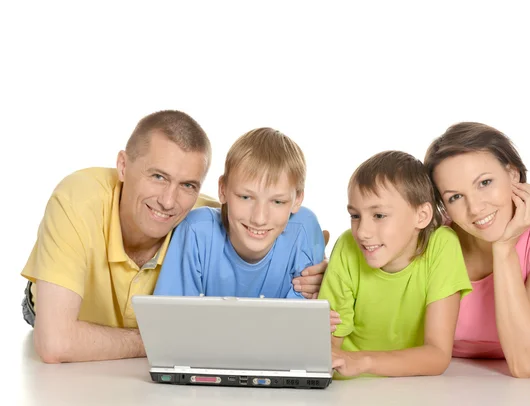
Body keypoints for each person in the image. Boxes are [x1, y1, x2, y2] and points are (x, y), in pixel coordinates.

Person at [20, 111, 328, 364]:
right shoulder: (79, 198)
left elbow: (270, 221)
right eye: (158, 176)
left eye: (188, 185)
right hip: (72, 316)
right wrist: (165, 340)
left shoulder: (217, 218)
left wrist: (328, 275)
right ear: (123, 166)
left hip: (145, 334)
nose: (169, 201)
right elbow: (55, 343)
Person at [423, 122, 530, 378]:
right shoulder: (436, 237)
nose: (475, 208)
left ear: (513, 174)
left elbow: (525, 364)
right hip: (440, 379)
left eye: (485, 182)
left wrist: (504, 248)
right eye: (455, 197)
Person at [318, 151, 473, 378]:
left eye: (379, 215)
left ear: (421, 216)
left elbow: (438, 355)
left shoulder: (442, 245)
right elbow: (328, 342)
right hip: (349, 381)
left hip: (408, 383)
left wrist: (364, 361)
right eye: (355, 215)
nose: (362, 232)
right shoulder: (347, 246)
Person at [153, 127, 325, 300]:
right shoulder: (196, 231)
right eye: (245, 197)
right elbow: (170, 318)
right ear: (223, 189)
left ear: (297, 200)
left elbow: (302, 321)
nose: (259, 218)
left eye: (278, 202)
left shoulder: (304, 229)